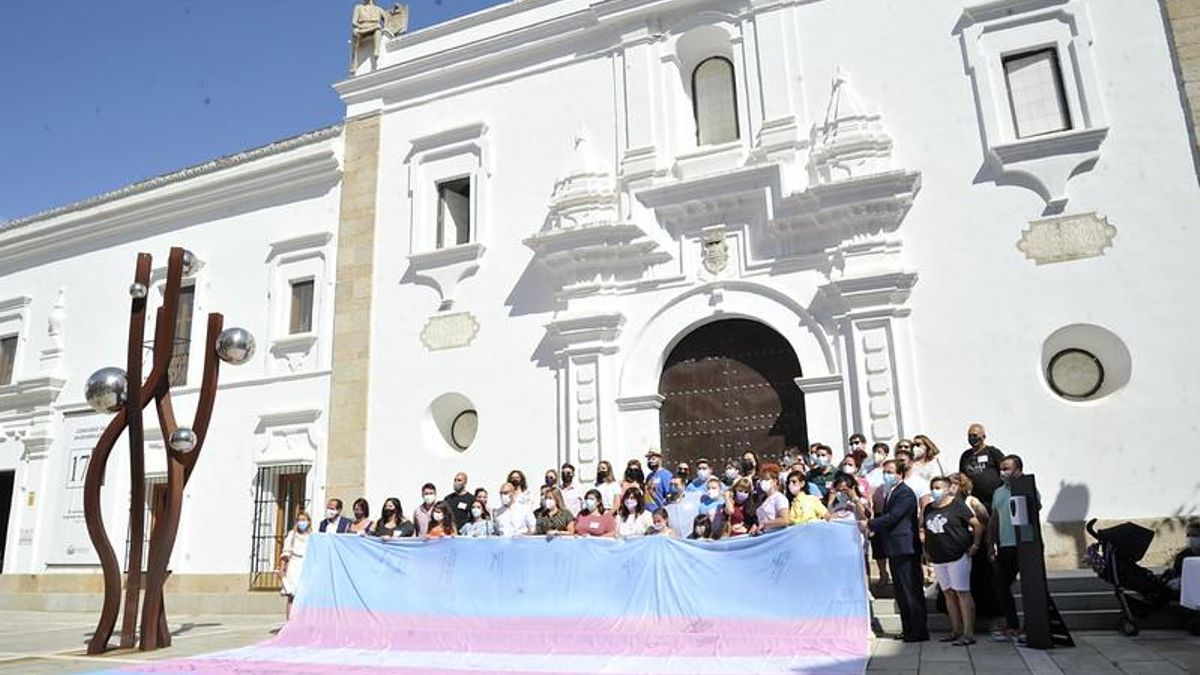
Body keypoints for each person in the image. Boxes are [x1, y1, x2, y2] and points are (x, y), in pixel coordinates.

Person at [868, 460, 928, 642]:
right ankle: (908, 629)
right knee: (902, 592)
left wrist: (870, 523)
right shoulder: (891, 492)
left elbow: (894, 517)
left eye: (890, 472)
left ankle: (918, 631)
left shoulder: (905, 493)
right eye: (885, 471)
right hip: (895, 548)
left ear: (900, 474)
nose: (886, 475)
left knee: (911, 590)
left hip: (905, 548)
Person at [923, 476, 983, 645]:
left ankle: (968, 632)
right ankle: (955, 629)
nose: (935, 490)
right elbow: (926, 531)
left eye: (938, 487)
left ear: (948, 488)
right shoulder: (929, 508)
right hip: (938, 557)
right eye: (933, 487)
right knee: (948, 592)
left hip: (957, 556)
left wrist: (975, 545)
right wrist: (927, 551)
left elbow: (977, 525)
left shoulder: (957, 505)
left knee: (962, 592)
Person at [988, 454, 1033, 642]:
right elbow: (994, 519)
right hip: (1005, 546)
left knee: (1031, 587)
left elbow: (1033, 510)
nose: (1003, 472)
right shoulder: (998, 492)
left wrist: (1019, 487)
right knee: (1000, 586)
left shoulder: (1026, 488)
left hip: (1025, 545)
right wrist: (990, 544)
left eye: (1007, 468)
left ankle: (1031, 626)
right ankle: (1012, 624)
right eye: (1001, 468)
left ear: (1018, 469)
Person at [948, 472, 1000, 624]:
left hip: (972, 543)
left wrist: (980, 543)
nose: (950, 487)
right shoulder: (947, 502)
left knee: (978, 581)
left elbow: (985, 520)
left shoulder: (972, 501)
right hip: (955, 545)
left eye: (954, 483)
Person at [959, 423, 1005, 509]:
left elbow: (1004, 470)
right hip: (976, 501)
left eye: (975, 435)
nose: (972, 438)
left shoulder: (992, 452)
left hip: (994, 499)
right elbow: (962, 475)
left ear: (984, 436)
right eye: (970, 436)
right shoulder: (965, 456)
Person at [279, 512, 311, 619]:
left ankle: (303, 621)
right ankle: (290, 621)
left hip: (306, 566)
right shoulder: (292, 535)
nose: (302, 522)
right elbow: (286, 552)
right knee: (292, 595)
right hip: (294, 564)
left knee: (305, 595)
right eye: (299, 520)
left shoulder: (312, 536)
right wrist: (282, 568)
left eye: (304, 520)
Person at [1164, 521, 1200, 593]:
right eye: (1188, 535)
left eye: (1194, 535)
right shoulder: (1183, 555)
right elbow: (1177, 574)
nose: (1190, 538)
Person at [752, 468, 789, 535]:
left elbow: (784, 520)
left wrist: (765, 524)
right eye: (762, 480)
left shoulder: (779, 498)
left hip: (775, 536)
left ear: (775, 481)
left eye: (766, 479)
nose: (763, 482)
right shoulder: (764, 499)